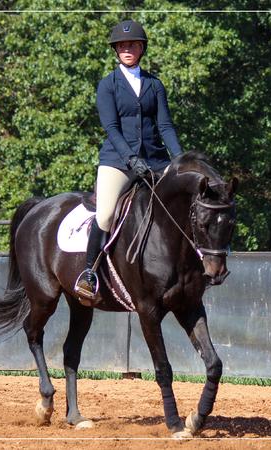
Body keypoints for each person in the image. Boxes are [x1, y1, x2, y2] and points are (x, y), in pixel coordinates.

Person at [74, 19, 183, 302]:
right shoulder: (107, 85)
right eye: (122, 45)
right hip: (118, 161)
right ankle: (89, 273)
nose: (127, 49)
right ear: (116, 50)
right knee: (106, 213)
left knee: (183, 200)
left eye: (132, 44)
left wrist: (180, 160)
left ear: (141, 48)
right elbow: (111, 127)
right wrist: (130, 158)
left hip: (155, 159)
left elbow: (166, 126)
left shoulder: (154, 85)